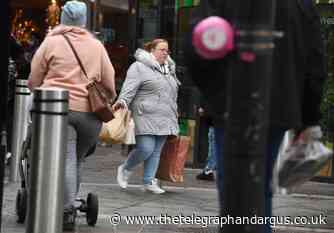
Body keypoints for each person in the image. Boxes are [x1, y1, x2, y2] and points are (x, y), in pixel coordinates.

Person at [184, 0, 326, 233]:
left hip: (230, 106)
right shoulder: (302, 5)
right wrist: (308, 117)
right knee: (261, 189)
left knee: (234, 190)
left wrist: (217, 95)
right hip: (279, 107)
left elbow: (194, 49)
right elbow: (315, 64)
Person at [27, 1, 116, 230]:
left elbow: (34, 78)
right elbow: (109, 79)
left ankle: (65, 209)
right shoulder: (96, 46)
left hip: (56, 110)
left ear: (63, 19)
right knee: (76, 159)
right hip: (90, 113)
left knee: (63, 157)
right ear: (84, 21)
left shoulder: (52, 42)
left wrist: (36, 87)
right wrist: (109, 97)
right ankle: (70, 202)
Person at [113, 38, 180, 194]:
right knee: (145, 148)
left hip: (166, 115)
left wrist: (175, 111)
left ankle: (148, 181)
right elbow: (129, 88)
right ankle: (125, 168)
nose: (165, 53)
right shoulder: (139, 67)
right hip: (145, 114)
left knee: (156, 151)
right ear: (152, 50)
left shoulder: (169, 68)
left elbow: (172, 93)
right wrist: (122, 100)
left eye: (167, 50)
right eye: (162, 49)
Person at [196, 107, 217, 181]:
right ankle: (208, 171)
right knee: (212, 150)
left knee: (213, 150)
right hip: (216, 126)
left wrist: (204, 109)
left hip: (216, 126)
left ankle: (208, 171)